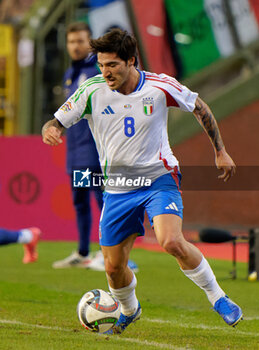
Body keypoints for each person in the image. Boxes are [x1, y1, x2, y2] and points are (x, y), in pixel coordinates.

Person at [42, 28, 243, 333]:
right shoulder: (91, 90)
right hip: (117, 189)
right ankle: (129, 308)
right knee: (112, 267)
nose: (105, 72)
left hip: (158, 179)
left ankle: (218, 297)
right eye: (101, 65)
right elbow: (57, 120)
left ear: (131, 61)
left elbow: (200, 107)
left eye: (112, 65)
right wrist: (52, 129)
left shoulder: (160, 86)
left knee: (171, 240)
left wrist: (221, 151)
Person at [52, 22, 138, 273]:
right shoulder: (71, 72)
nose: (75, 46)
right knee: (80, 201)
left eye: (80, 41)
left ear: (91, 43)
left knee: (104, 202)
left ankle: (112, 254)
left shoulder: (99, 73)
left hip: (94, 152)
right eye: (71, 41)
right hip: (76, 153)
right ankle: (82, 252)